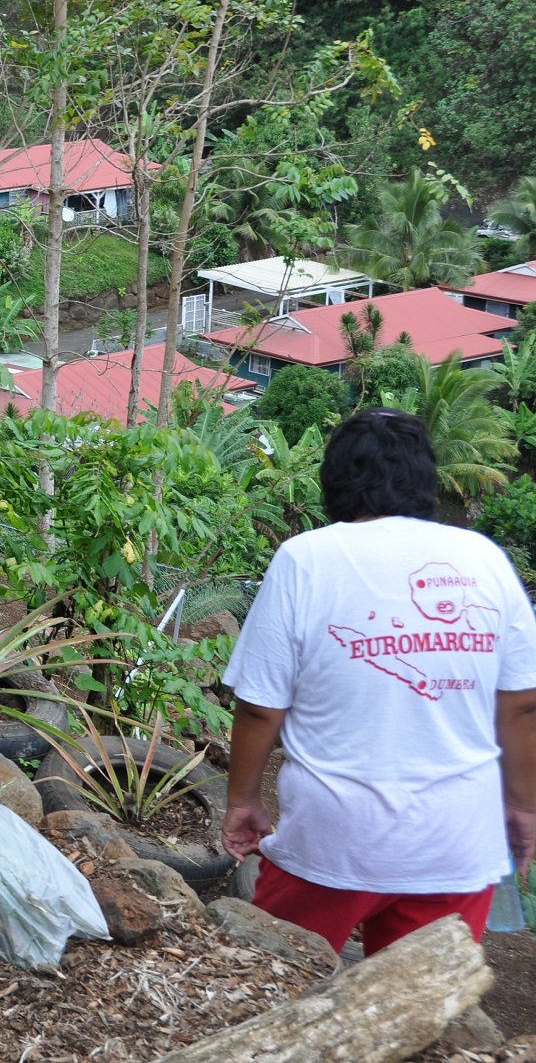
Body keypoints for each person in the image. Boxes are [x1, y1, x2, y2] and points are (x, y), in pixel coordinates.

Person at [221, 408, 536, 956]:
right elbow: (522, 708)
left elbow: (260, 708)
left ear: (335, 482)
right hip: (457, 841)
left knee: (273, 985)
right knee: (422, 1017)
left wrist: (243, 799)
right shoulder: (486, 560)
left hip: (333, 839)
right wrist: (523, 805)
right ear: (426, 480)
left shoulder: (306, 558)